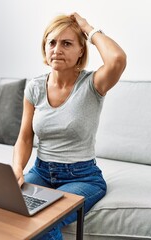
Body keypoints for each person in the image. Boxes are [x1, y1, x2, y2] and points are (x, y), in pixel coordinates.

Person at [12, 12, 126, 239]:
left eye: (67, 43)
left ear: (81, 49)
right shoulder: (34, 87)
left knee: (42, 222)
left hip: (82, 177)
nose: (57, 49)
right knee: (10, 211)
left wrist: (87, 27)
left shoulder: (93, 84)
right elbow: (25, 137)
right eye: (52, 42)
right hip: (41, 172)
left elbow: (117, 59)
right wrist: (16, 169)